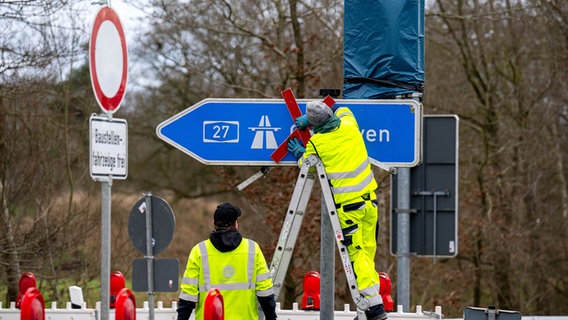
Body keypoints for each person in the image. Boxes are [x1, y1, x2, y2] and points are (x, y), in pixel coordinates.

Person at [287, 101, 387, 320]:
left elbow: (307, 164)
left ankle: (374, 306)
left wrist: (297, 153)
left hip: (349, 208)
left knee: (358, 253)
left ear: (314, 125)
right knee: (368, 252)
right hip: (370, 202)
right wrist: (316, 116)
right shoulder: (349, 124)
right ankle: (368, 305)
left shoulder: (318, 142)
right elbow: (341, 107)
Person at [176, 202, 278, 320]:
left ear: (214, 223)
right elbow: (265, 292)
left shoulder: (199, 251)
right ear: (236, 224)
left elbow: (188, 297)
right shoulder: (252, 249)